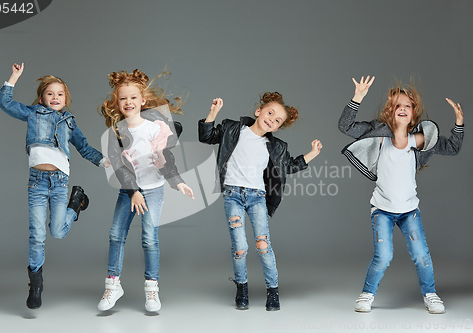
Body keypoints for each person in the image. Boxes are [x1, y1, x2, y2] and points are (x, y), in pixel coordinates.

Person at [339, 76, 464, 314]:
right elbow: (345, 127)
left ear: (414, 111)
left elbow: (453, 148)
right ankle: (367, 294)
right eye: (397, 105)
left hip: (409, 211)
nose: (402, 108)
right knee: (383, 256)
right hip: (382, 211)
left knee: (421, 255)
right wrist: (358, 98)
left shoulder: (420, 140)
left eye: (407, 105)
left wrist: (459, 123)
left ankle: (430, 294)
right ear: (390, 111)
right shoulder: (378, 134)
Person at [198, 92, 322, 311]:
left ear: (277, 128)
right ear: (258, 111)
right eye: (270, 113)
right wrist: (213, 113)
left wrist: (311, 155)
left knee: (263, 246)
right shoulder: (232, 129)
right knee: (240, 247)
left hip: (257, 197)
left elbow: (289, 166)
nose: (271, 120)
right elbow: (206, 136)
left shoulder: (276, 147)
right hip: (233, 195)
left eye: (277, 121)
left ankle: (272, 292)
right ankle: (242, 288)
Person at [0, 63, 104, 309]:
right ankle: (35, 284)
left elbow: (84, 147)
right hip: (36, 182)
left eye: (60, 94)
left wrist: (105, 161)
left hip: (59, 183)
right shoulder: (33, 113)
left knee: (57, 231)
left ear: (66, 98)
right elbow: (5, 103)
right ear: (41, 97)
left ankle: (76, 201)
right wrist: (14, 77)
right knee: (37, 236)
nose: (55, 97)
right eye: (50, 93)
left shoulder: (69, 122)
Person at [97, 69, 194, 313]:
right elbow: (119, 166)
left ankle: (151, 290)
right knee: (115, 234)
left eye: (132, 98)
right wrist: (133, 192)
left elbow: (166, 159)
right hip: (129, 191)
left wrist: (178, 182)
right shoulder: (115, 132)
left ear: (142, 100)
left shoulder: (156, 128)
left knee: (149, 238)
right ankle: (113, 285)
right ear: (116, 103)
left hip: (153, 191)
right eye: (123, 99)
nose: (128, 102)